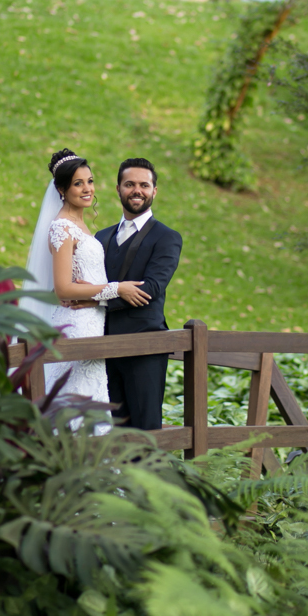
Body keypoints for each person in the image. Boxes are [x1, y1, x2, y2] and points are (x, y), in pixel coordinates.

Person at [21, 149, 150, 410]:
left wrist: (99, 297)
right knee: (74, 400)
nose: (87, 188)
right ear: (61, 190)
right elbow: (63, 289)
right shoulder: (62, 227)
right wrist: (117, 289)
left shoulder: (82, 226)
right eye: (77, 183)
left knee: (91, 400)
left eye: (89, 181)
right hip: (74, 324)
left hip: (92, 322)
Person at [94, 158, 182, 431]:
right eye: (129, 184)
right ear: (118, 188)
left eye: (144, 185)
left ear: (154, 191)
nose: (137, 190)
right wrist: (117, 291)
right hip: (102, 347)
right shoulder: (101, 237)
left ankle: (149, 477)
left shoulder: (167, 237)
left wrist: (98, 296)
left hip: (145, 346)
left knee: (146, 430)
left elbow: (151, 289)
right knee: (114, 430)